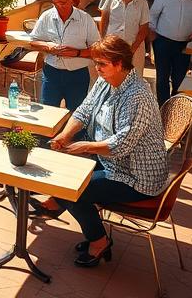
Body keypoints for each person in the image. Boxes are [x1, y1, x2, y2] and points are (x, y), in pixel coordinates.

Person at [31, 36, 168, 268]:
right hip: (110, 162)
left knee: (72, 189)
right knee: (64, 174)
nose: (97, 68)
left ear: (120, 63)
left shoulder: (137, 96)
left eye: (102, 64)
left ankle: (99, 241)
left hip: (136, 177)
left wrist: (83, 147)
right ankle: (57, 205)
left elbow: (121, 145)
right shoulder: (106, 81)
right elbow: (84, 111)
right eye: (96, 63)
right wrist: (65, 136)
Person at [28, 0, 100, 110]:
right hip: (51, 73)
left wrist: (76, 53)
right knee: (47, 113)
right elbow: (33, 41)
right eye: (55, 3)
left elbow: (98, 49)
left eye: (63, 2)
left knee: (77, 116)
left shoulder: (85, 19)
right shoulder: (46, 16)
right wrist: (48, 47)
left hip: (77, 75)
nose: (59, 6)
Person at [99, 0, 150, 76]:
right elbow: (104, 21)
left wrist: (132, 50)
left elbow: (144, 28)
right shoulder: (110, 0)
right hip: (112, 47)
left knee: (133, 78)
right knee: (111, 77)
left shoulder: (142, 3)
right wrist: (103, 41)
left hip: (134, 48)